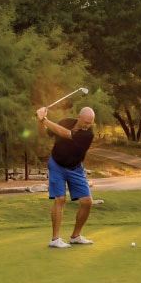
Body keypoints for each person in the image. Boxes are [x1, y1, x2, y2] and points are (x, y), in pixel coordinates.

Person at [36, 105, 96, 248]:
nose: (88, 125)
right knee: (60, 199)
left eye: (90, 123)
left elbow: (65, 134)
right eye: (85, 122)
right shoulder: (66, 121)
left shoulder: (88, 134)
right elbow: (45, 134)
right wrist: (40, 121)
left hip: (76, 168)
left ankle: (75, 236)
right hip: (57, 165)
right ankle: (55, 239)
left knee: (87, 202)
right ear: (79, 117)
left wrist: (44, 119)